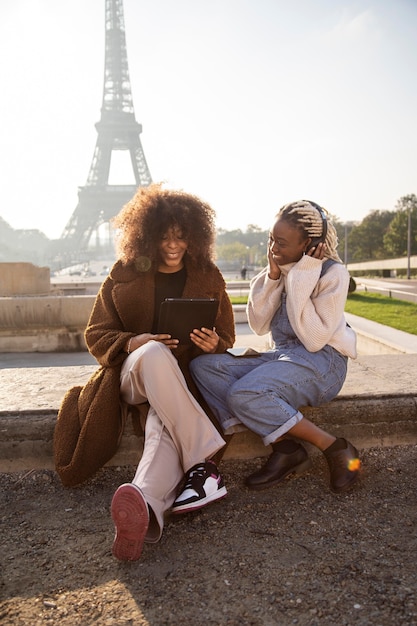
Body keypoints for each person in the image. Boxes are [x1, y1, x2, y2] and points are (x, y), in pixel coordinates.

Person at [54, 183, 235, 562]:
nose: (173, 244)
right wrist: (133, 341)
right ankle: (204, 459)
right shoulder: (122, 275)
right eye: (164, 236)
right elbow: (95, 334)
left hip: (177, 381)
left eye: (181, 236)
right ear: (147, 236)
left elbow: (227, 335)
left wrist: (212, 343)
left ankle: (145, 507)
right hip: (132, 373)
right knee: (154, 352)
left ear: (194, 237)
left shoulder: (209, 275)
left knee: (163, 431)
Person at [190, 199, 361, 494]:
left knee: (244, 393)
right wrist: (273, 276)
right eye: (271, 239)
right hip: (285, 358)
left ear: (309, 243)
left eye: (281, 242)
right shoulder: (280, 269)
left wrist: (302, 276)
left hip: (324, 364)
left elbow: (314, 338)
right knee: (204, 367)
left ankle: (334, 447)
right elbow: (258, 324)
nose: (273, 248)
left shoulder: (332, 274)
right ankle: (286, 449)